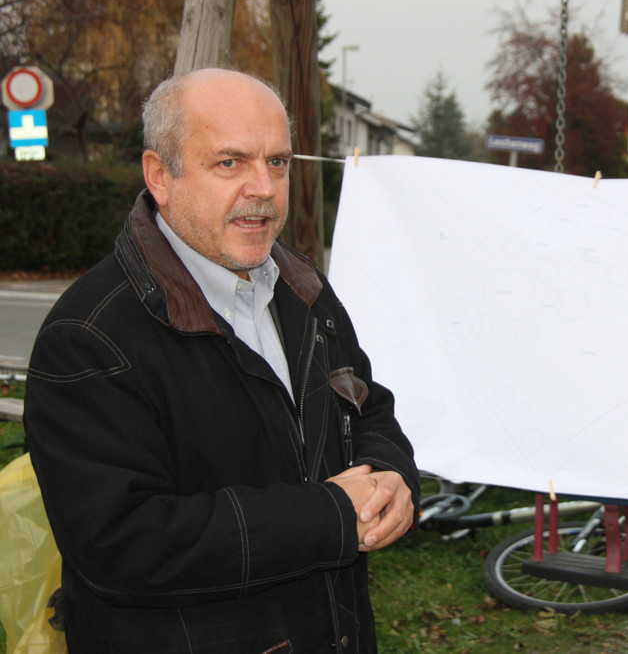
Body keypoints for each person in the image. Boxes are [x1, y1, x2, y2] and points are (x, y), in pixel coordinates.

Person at [24, 67, 419, 653]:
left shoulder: (304, 288)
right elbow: (122, 544)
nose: (263, 187)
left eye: (278, 162)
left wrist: (392, 478)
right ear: (160, 175)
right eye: (230, 162)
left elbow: (366, 407)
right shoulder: (89, 336)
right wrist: (331, 515)